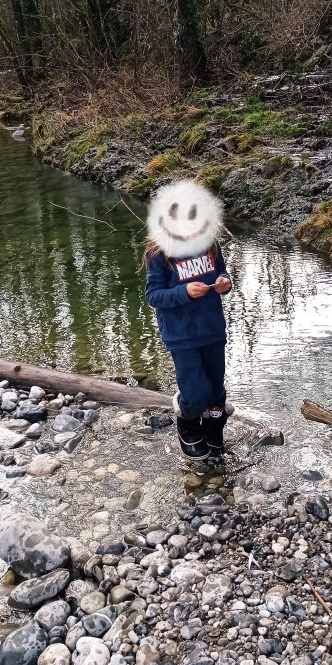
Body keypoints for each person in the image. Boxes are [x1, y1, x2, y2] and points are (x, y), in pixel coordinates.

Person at [144, 178, 233, 461]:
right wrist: (183, 292)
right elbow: (153, 295)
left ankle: (214, 429)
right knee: (196, 391)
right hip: (181, 335)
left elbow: (223, 274)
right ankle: (188, 422)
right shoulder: (160, 252)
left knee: (216, 390)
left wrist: (225, 283)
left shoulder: (211, 245)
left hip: (212, 329)